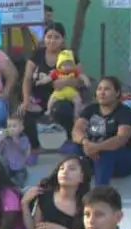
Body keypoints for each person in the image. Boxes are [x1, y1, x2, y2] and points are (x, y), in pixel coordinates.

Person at [20, 23, 82, 155]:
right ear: (44, 38)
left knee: (63, 109)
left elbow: (80, 79)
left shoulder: (69, 56)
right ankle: (35, 147)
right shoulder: (37, 54)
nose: (52, 40)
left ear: (63, 39)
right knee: (25, 112)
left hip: (62, 96)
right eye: (49, 37)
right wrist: (26, 100)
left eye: (56, 37)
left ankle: (71, 140)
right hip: (39, 98)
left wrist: (66, 82)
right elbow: (27, 78)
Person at [68, 76, 131, 185]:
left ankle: (100, 193)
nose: (102, 93)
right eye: (99, 89)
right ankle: (72, 189)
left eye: (107, 89)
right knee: (74, 147)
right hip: (94, 155)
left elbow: (120, 139)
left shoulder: (125, 113)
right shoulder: (90, 109)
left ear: (117, 93)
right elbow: (76, 130)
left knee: (105, 153)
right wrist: (86, 142)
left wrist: (96, 147)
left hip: (124, 160)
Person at [48, 50, 84, 117]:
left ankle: (76, 114)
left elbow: (81, 77)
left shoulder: (74, 71)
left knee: (78, 100)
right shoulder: (56, 72)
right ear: (60, 65)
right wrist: (42, 81)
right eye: (64, 65)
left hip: (71, 91)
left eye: (69, 65)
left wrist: (85, 80)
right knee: (52, 99)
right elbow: (49, 79)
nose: (67, 67)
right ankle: (49, 111)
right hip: (59, 92)